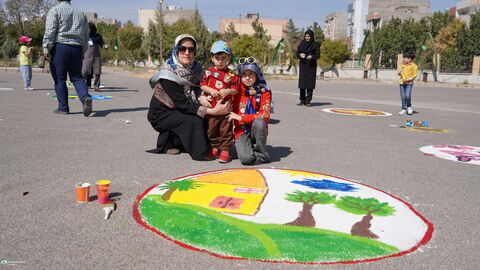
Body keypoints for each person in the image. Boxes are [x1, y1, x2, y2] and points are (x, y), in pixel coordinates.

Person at [147, 34, 232, 161]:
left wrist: (205, 99)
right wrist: (213, 111)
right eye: (182, 48)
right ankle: (201, 152)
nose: (187, 53)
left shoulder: (197, 69)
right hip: (162, 113)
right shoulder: (168, 74)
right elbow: (183, 105)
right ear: (176, 50)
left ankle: (177, 142)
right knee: (193, 120)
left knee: (207, 118)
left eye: (191, 49)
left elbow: (204, 88)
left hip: (181, 108)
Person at [42, 0, 92, 116]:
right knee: (77, 77)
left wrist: (46, 49)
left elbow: (50, 32)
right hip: (77, 48)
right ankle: (85, 98)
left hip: (60, 47)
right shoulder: (80, 13)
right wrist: (83, 50)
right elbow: (86, 34)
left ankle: (63, 107)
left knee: (60, 79)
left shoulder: (55, 10)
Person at [200, 40, 240, 163]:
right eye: (217, 57)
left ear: (228, 58)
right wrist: (211, 90)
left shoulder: (232, 74)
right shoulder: (208, 72)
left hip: (226, 109)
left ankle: (225, 150)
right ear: (212, 58)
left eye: (223, 58)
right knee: (211, 129)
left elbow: (236, 89)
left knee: (226, 130)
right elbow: (202, 85)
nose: (220, 60)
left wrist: (228, 91)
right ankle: (214, 148)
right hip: (212, 108)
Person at [228, 58, 272, 165]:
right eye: (244, 75)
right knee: (246, 159)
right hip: (241, 130)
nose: (247, 78)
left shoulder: (264, 92)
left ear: (257, 75)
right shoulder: (235, 91)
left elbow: (265, 114)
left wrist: (241, 118)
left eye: (251, 74)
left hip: (256, 129)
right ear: (240, 76)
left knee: (259, 121)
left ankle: (261, 155)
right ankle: (248, 147)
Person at [296, 29, 320, 107]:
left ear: (311, 36)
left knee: (310, 85)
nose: (307, 38)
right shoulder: (302, 43)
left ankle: (308, 101)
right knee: (302, 84)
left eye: (308, 36)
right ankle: (302, 100)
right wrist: (300, 55)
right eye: (306, 36)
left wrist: (312, 56)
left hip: (311, 66)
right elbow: (297, 53)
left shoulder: (315, 44)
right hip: (303, 66)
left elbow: (318, 55)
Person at [82, 23, 104, 92]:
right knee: (84, 72)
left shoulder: (97, 36)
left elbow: (102, 44)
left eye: (88, 28)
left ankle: (96, 86)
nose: (87, 30)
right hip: (87, 57)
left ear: (92, 29)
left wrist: (104, 46)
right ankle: (82, 86)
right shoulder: (84, 36)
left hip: (96, 57)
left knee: (97, 72)